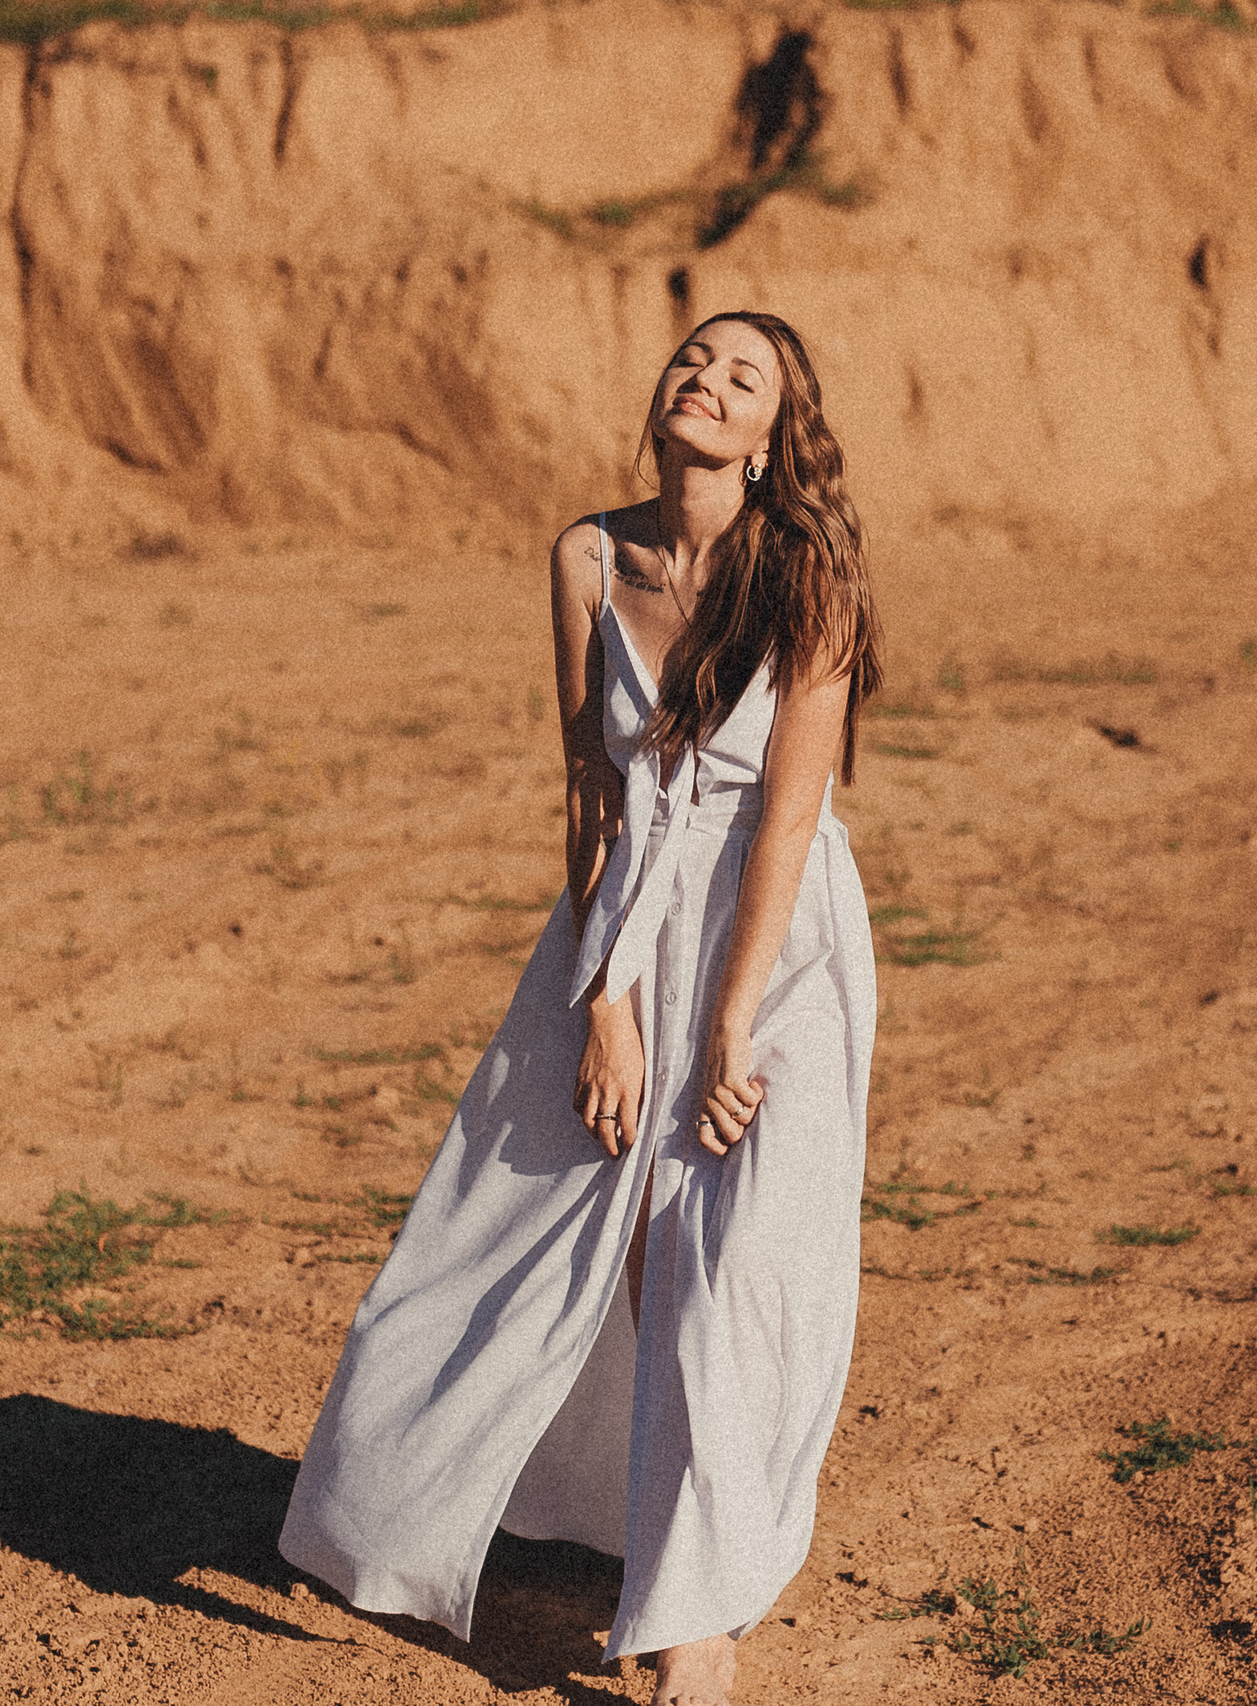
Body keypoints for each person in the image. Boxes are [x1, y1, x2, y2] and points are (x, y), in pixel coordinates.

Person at [278, 311, 882, 1706]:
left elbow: (790, 815)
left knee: (737, 1264)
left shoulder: (811, 570)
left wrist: (731, 1025)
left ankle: (699, 1616)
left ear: (776, 431)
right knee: (570, 1233)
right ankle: (573, 1515)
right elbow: (591, 787)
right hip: (623, 925)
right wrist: (601, 996)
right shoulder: (586, 554)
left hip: (776, 941)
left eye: (745, 376)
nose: (706, 381)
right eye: (693, 357)